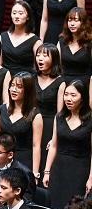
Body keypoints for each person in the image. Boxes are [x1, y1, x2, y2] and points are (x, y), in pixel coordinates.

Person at [44, 79, 92, 209]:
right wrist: (47, 171)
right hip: (59, 169)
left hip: (80, 170)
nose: (68, 99)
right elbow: (54, 145)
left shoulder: (90, 120)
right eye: (66, 94)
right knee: (55, 207)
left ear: (82, 98)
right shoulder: (59, 117)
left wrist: (90, 178)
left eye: (73, 95)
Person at [0, 72, 42, 179]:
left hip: (23, 160)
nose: (14, 89)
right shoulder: (2, 109)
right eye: (12, 85)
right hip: (4, 159)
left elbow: (36, 146)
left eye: (19, 87)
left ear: (27, 90)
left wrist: (35, 173)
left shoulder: (35, 114)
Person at [35, 43, 65, 175]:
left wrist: (54, 138)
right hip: (32, 123)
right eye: (38, 55)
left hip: (49, 126)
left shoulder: (60, 82)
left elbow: (60, 114)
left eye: (45, 55)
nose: (40, 58)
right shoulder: (32, 78)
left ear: (54, 59)